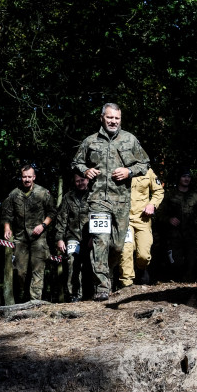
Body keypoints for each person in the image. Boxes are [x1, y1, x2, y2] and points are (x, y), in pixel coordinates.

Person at [72, 103, 150, 300]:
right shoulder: (90, 141)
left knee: (116, 246)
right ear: (102, 118)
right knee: (100, 241)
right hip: (98, 199)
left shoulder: (130, 139)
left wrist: (129, 171)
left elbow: (145, 164)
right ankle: (102, 287)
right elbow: (76, 162)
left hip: (122, 201)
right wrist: (85, 170)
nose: (113, 121)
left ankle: (108, 273)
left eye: (117, 118)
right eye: (110, 117)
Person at [1, 164, 56, 301]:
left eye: (29, 177)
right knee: (20, 272)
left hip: (39, 238)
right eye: (24, 177)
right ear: (21, 177)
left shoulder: (43, 193)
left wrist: (43, 225)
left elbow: (52, 212)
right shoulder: (14, 194)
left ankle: (35, 301)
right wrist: (7, 228)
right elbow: (7, 214)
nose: (27, 179)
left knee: (38, 270)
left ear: (34, 177)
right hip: (21, 238)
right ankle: (24, 299)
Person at [157, 168, 197, 282]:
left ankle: (189, 283)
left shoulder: (195, 196)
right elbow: (160, 213)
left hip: (191, 234)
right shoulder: (170, 195)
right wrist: (169, 219)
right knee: (175, 262)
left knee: (192, 261)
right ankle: (176, 282)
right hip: (174, 236)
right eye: (184, 176)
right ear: (179, 178)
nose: (186, 179)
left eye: (188, 177)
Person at [119, 167, 164, 288]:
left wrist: (152, 205)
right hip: (124, 219)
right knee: (126, 250)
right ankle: (127, 283)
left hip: (143, 218)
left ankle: (141, 269)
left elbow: (159, 191)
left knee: (144, 255)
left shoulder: (147, 171)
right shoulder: (119, 169)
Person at [54, 171, 91, 301]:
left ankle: (91, 293)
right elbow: (61, 219)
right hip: (72, 236)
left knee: (90, 264)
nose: (80, 183)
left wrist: (94, 236)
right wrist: (59, 239)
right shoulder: (67, 197)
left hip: (90, 237)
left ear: (88, 180)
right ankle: (74, 294)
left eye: (83, 180)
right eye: (77, 181)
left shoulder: (94, 195)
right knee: (71, 262)